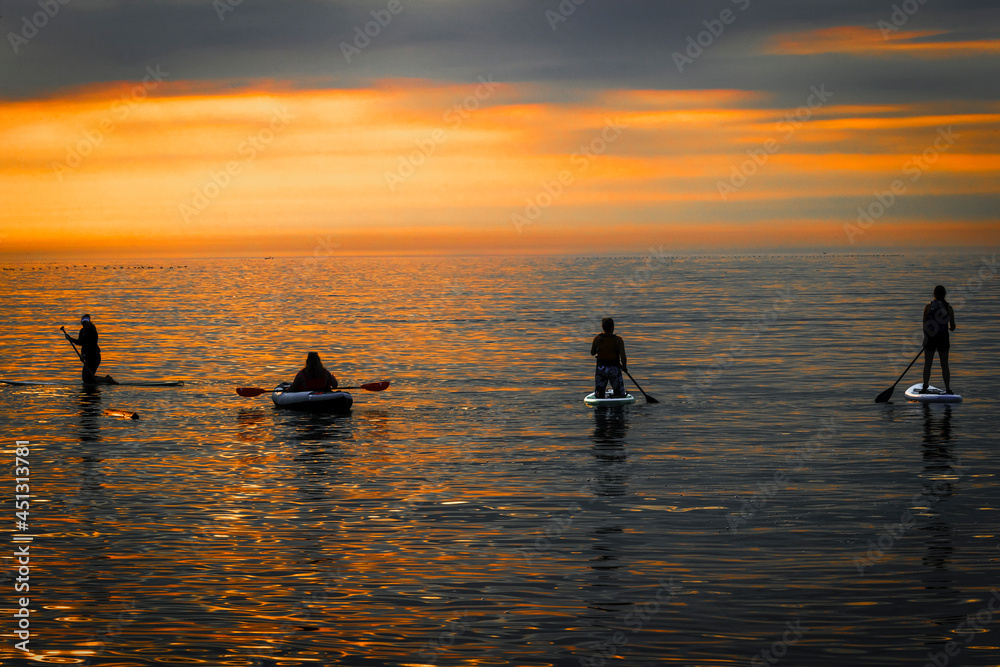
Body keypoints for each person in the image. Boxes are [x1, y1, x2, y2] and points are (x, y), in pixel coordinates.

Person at [921, 285, 956, 394]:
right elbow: (953, 326)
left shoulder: (927, 307)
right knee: (944, 364)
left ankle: (925, 387)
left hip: (930, 338)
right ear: (944, 295)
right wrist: (950, 327)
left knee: (928, 364)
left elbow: (924, 324)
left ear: (934, 294)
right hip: (943, 338)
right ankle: (948, 388)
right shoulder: (948, 308)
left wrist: (926, 338)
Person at [590, 317, 628, 398]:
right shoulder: (618, 340)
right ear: (613, 327)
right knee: (619, 392)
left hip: (601, 369)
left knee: (600, 392)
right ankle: (618, 397)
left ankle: (600, 397)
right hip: (614, 368)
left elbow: (592, 353)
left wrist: (600, 350)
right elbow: (623, 356)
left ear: (602, 327)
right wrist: (624, 367)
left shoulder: (597, 339)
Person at [65, 314, 102, 383]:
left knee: (88, 378)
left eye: (86, 322)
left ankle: (106, 379)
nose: (85, 323)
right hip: (88, 356)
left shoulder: (92, 331)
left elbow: (84, 342)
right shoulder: (82, 331)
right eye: (83, 322)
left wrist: (70, 339)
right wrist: (82, 355)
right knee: (86, 378)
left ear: (89, 322)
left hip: (94, 357)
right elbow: (81, 344)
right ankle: (102, 380)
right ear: (81, 322)